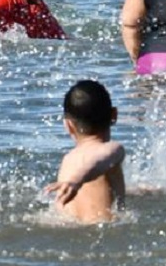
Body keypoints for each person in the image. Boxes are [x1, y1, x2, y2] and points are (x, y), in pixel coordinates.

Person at [44, 80, 126, 223]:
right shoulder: (112, 149)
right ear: (114, 115)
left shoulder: (68, 160)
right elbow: (99, 160)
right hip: (105, 235)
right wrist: (77, 180)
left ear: (68, 125)